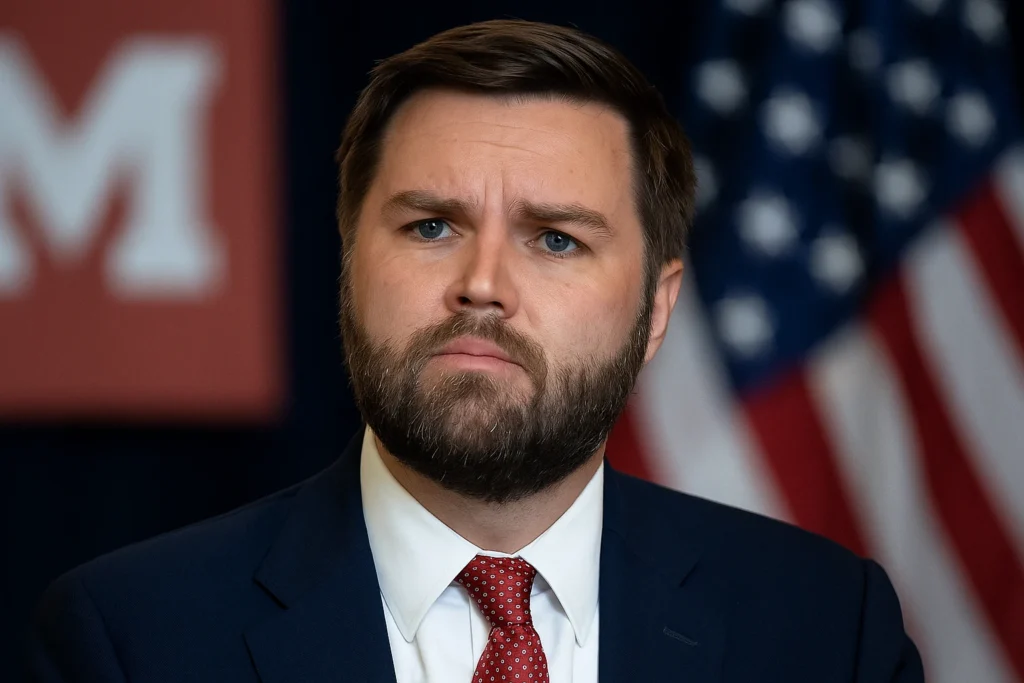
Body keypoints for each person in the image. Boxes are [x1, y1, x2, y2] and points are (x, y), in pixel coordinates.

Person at [27, 19, 924, 683]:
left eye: (556, 239)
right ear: (349, 263)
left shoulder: (826, 630)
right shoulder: (129, 639)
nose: (483, 282)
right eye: (430, 225)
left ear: (657, 308)